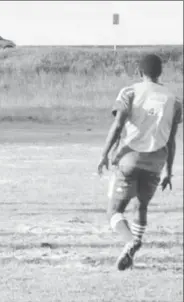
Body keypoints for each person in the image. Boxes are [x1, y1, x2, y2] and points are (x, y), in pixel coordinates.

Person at [97, 54, 182, 271]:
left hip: (129, 158)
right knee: (141, 206)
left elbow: (117, 126)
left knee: (113, 212)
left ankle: (129, 241)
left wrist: (104, 154)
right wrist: (168, 171)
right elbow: (171, 139)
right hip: (156, 162)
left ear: (139, 72)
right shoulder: (174, 100)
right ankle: (132, 252)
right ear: (160, 73)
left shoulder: (130, 91)